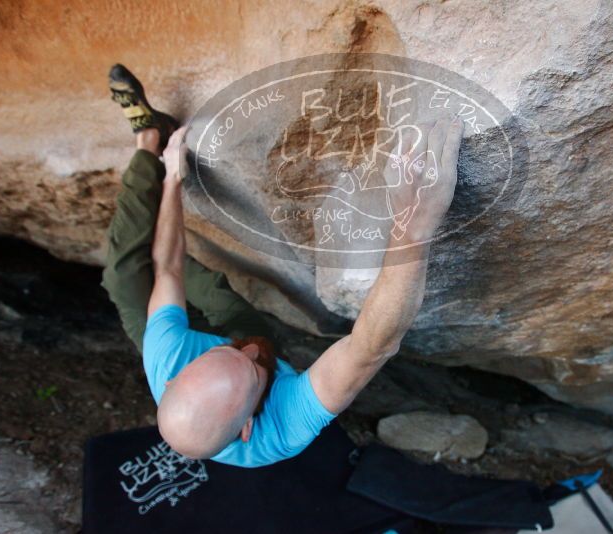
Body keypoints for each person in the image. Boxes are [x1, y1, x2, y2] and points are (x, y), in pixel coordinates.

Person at [102, 64, 464, 467]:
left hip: (194, 348)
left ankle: (149, 140)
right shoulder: (280, 429)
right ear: (246, 427)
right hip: (229, 349)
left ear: (173, 379)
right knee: (223, 307)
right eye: (253, 370)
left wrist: (172, 179)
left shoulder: (166, 356)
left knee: (123, 273)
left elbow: (167, 266)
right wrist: (412, 227)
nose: (252, 351)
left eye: (228, 353)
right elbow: (370, 347)